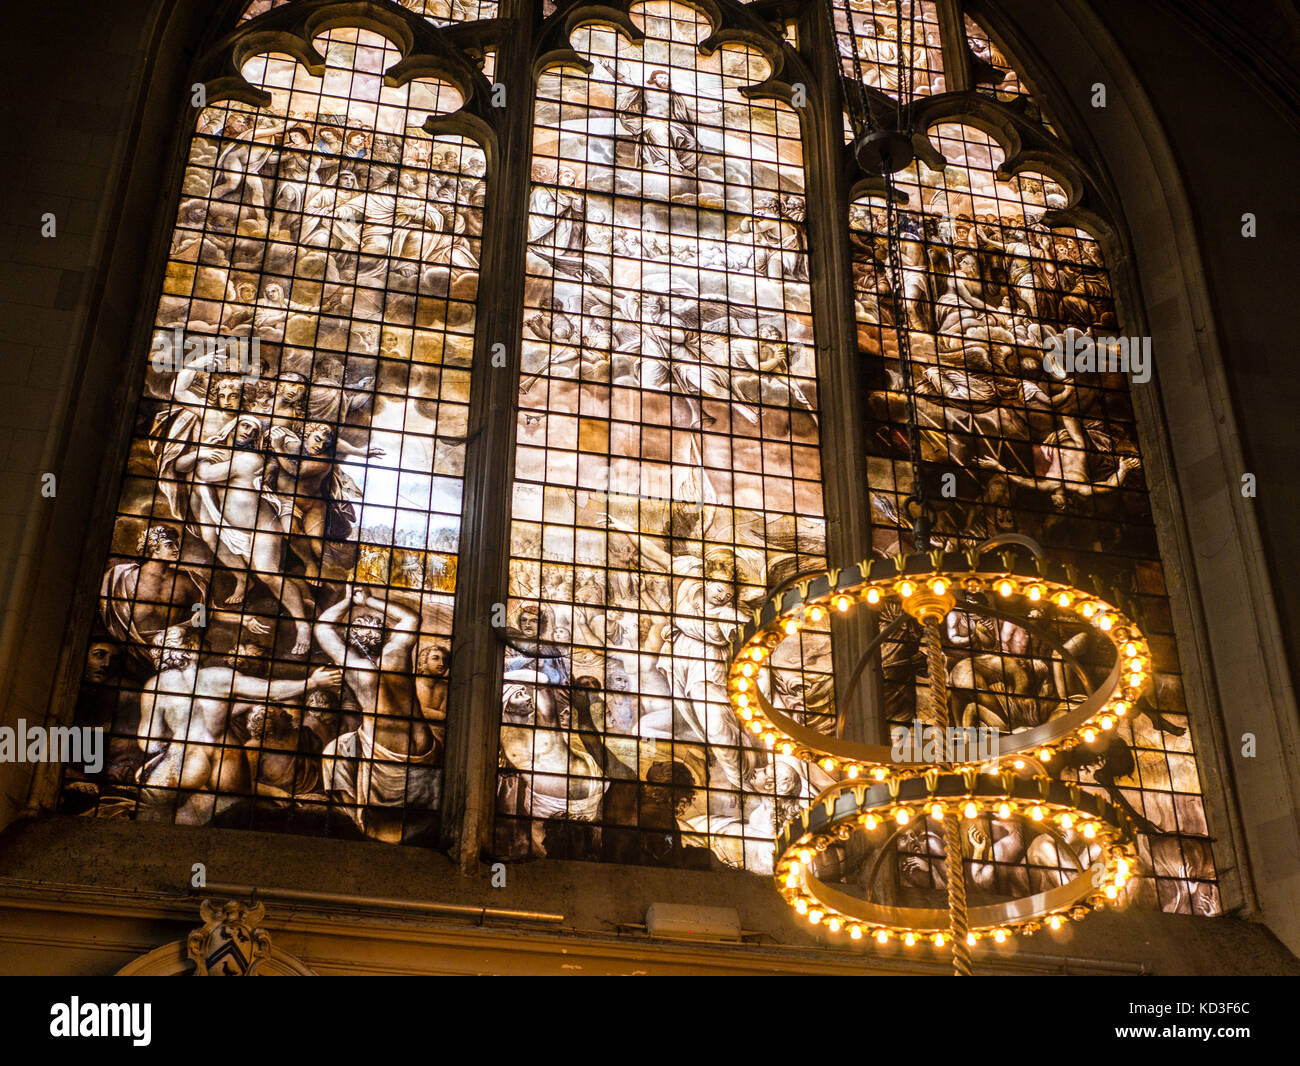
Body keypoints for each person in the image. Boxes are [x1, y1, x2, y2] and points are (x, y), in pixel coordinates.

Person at [135, 625, 341, 825]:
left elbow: (149, 741)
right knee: (227, 822)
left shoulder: (155, 686)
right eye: (200, 641)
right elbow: (271, 689)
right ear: (189, 646)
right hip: (226, 757)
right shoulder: (219, 676)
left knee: (156, 816)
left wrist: (165, 752)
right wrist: (312, 682)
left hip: (185, 757)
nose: (206, 643)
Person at [314, 585, 440, 841]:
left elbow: (322, 628)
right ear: (383, 637)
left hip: (384, 751)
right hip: (424, 747)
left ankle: (357, 818)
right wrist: (370, 600)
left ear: (353, 640)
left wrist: (348, 601)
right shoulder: (397, 655)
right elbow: (411, 619)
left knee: (334, 754)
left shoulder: (355, 667)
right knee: (339, 747)